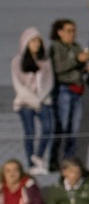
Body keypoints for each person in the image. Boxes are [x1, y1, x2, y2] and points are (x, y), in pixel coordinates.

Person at [48, 20, 89, 165]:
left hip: (78, 90)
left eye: (74, 30)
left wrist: (87, 67)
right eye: (68, 31)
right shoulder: (56, 47)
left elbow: (78, 68)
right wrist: (77, 59)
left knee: (74, 129)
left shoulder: (76, 46)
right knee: (63, 127)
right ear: (59, 32)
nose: (72, 34)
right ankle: (54, 161)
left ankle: (69, 161)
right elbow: (58, 68)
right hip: (64, 89)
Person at [14, 28, 53, 171]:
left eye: (38, 41)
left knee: (48, 128)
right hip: (25, 103)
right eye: (33, 41)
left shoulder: (45, 61)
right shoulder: (17, 62)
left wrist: (40, 99)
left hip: (43, 101)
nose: (36, 44)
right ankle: (31, 165)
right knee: (30, 132)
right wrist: (34, 101)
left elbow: (49, 83)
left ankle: (39, 157)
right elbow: (19, 86)